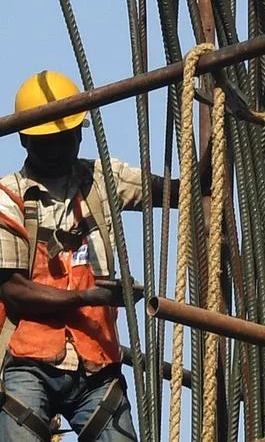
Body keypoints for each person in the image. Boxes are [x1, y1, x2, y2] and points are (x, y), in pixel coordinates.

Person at [0, 70, 196, 441]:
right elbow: (13, 291)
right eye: (49, 141)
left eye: (66, 138)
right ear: (26, 139)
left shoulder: (100, 180)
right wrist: (87, 296)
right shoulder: (7, 199)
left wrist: (215, 143)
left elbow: (174, 192)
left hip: (96, 362)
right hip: (28, 360)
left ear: (79, 133)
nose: (59, 149)